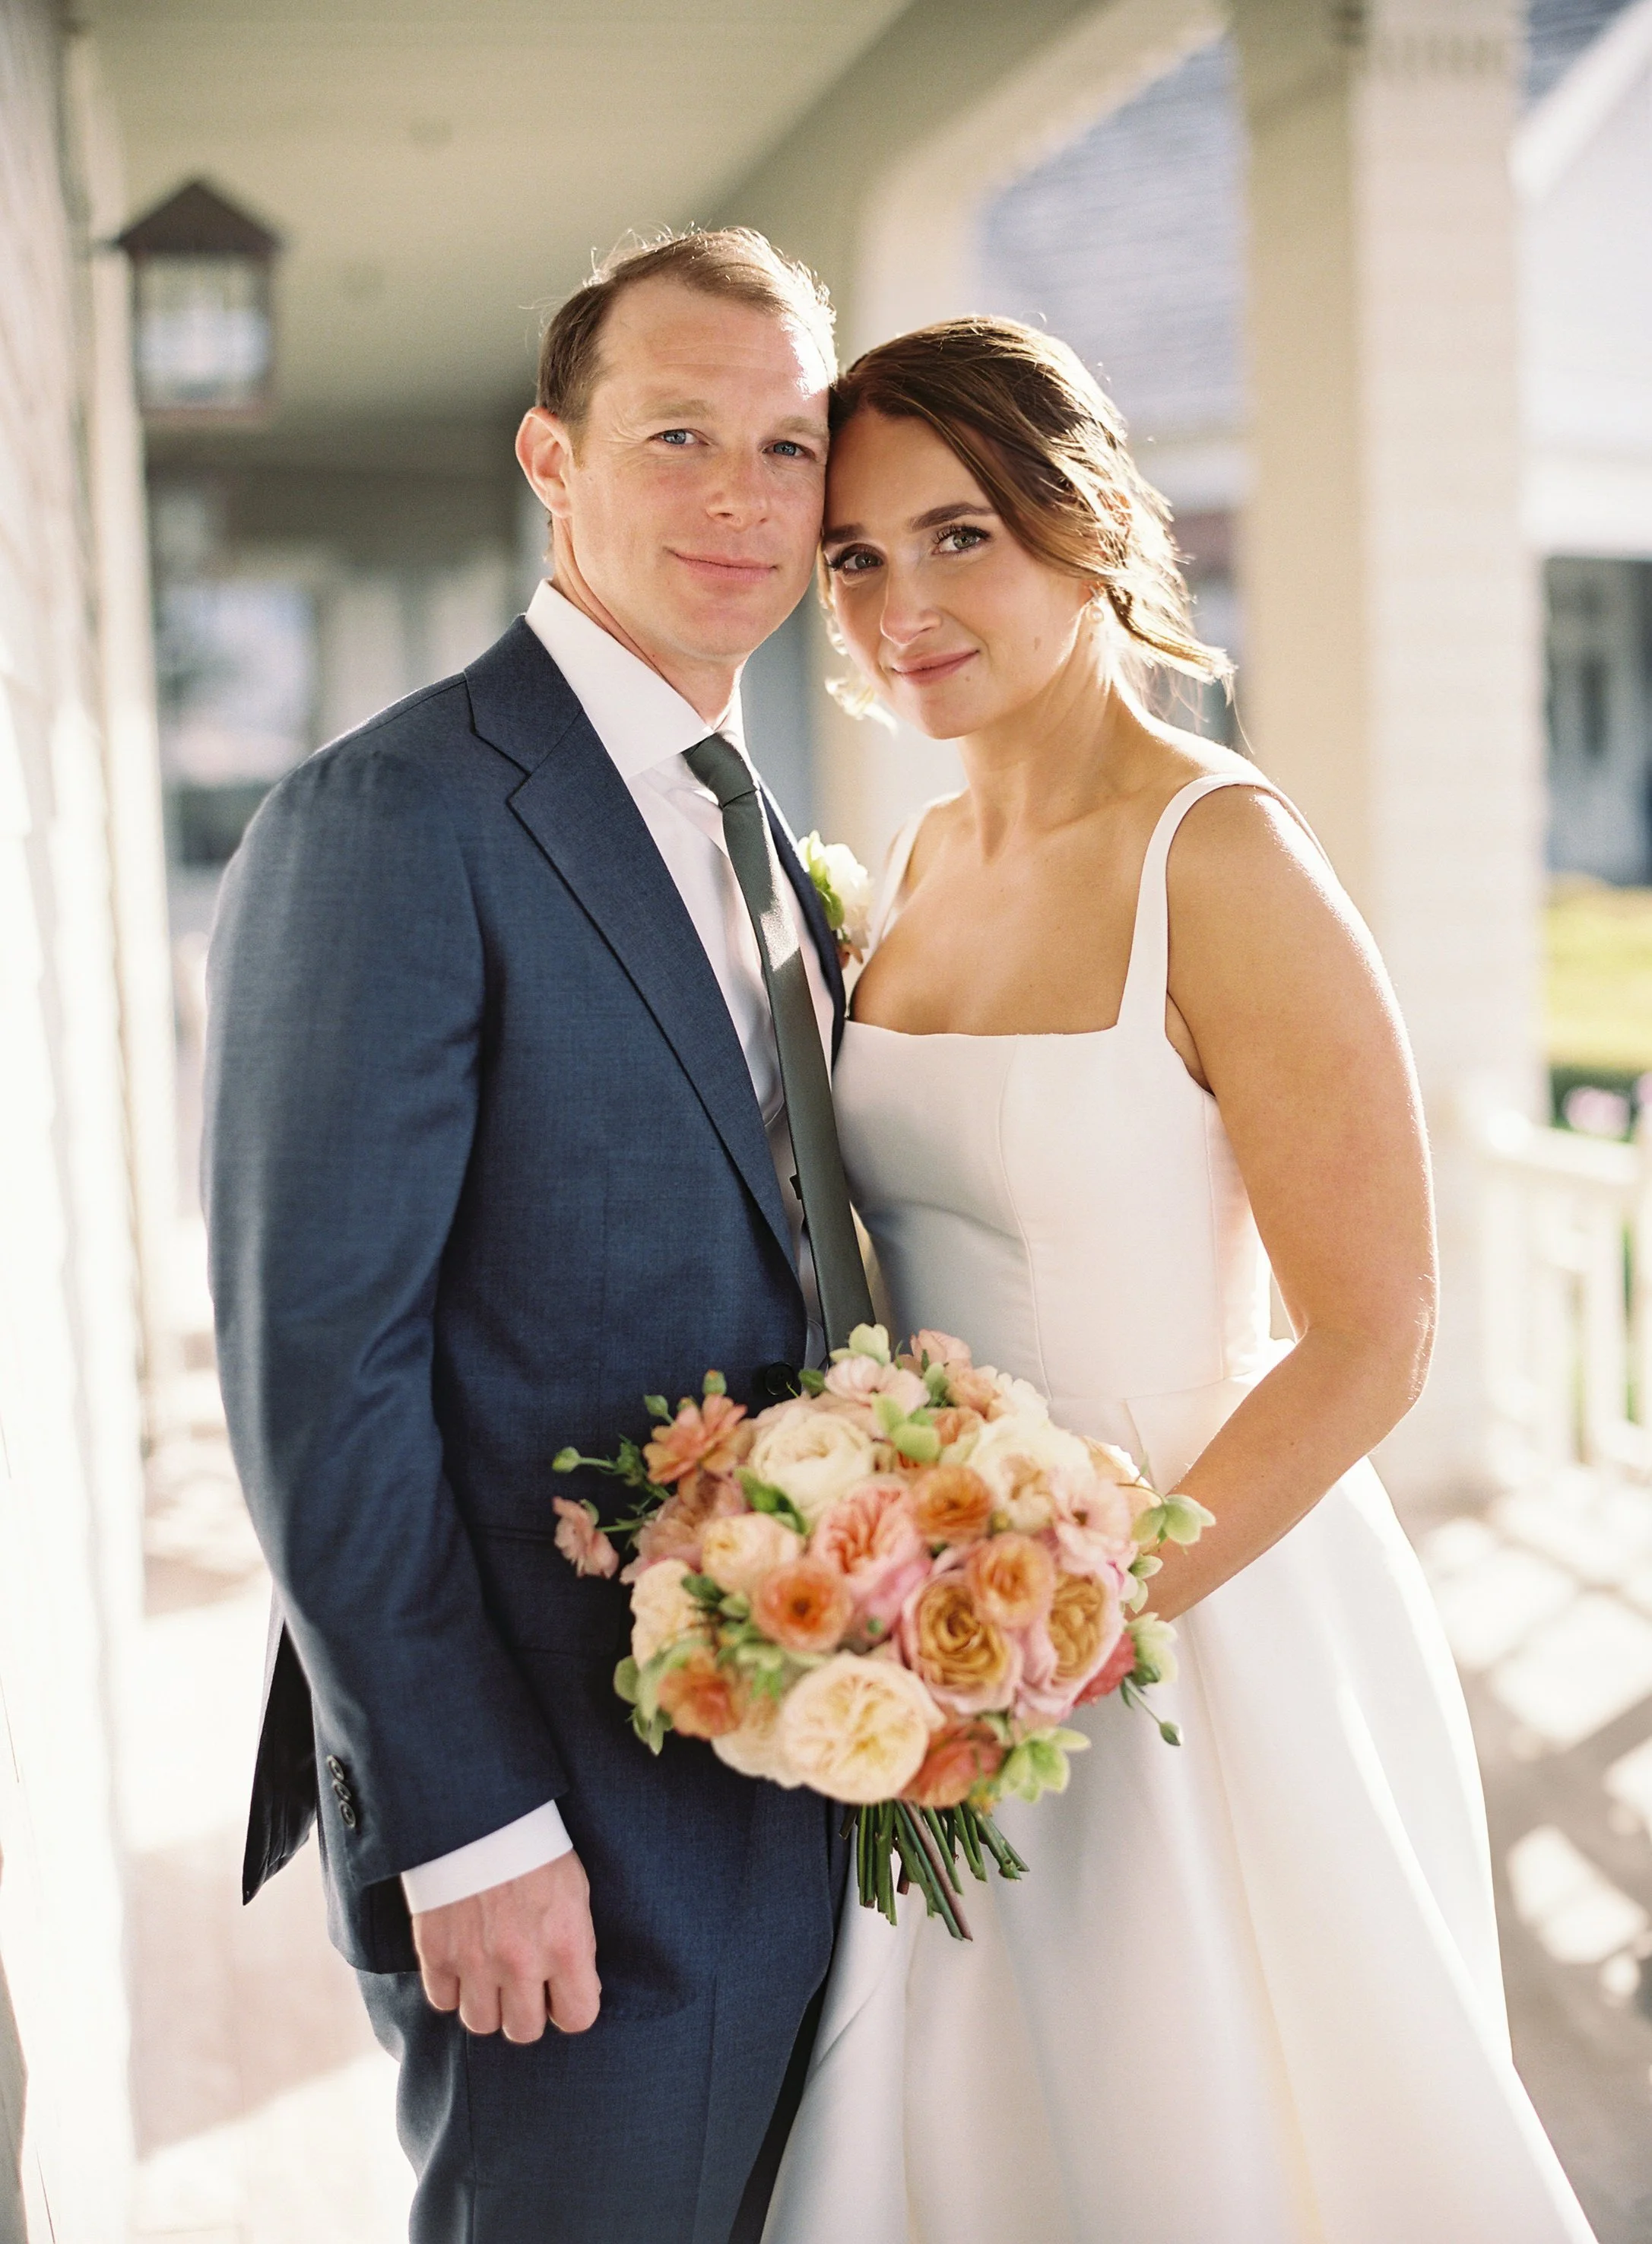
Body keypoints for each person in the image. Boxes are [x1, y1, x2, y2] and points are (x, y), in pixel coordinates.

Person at [762, 317, 1598, 2244]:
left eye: (957, 536)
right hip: (924, 1605)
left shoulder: (1221, 859)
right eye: (859, 559)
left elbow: (1379, 1334)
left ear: (1083, 529)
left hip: (1189, 1616)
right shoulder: (925, 853)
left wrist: (1073, 1623)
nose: (902, 605)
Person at [203, 227, 864, 2244]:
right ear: (550, 461)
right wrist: (466, 1820)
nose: (742, 495)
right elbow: (321, 1371)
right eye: (678, 434)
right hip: (556, 1805)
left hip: (789, 1763)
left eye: (785, 441)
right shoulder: (395, 817)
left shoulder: (753, 834)